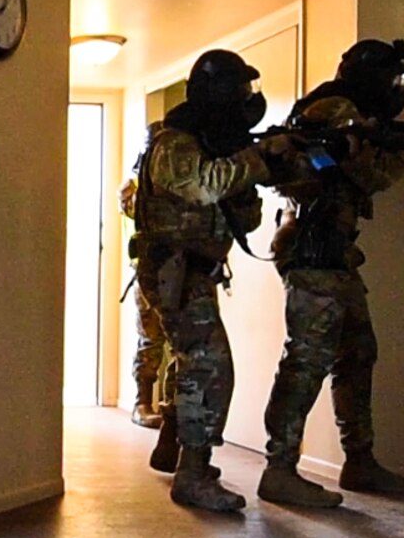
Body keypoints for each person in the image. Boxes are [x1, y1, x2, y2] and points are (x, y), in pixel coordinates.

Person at [257, 39, 404, 508]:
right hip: (314, 251)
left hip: (333, 255)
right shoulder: (337, 109)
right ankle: (280, 468)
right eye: (392, 78)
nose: (396, 89)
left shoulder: (342, 108)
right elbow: (370, 173)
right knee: (307, 360)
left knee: (356, 352)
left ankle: (360, 461)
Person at [131, 49, 295, 512]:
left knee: (192, 363)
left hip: (192, 272)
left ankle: (174, 447)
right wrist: (257, 160)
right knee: (210, 368)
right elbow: (204, 186)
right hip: (175, 271)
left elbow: (239, 210)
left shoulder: (207, 142)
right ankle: (194, 474)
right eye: (239, 90)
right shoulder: (175, 144)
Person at [117, 158, 171, 429]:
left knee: (177, 345)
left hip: (171, 271)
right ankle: (143, 403)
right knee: (151, 341)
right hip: (150, 274)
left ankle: (171, 405)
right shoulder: (136, 190)